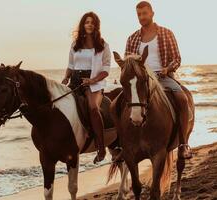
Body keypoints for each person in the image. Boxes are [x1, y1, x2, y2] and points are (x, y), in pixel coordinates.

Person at [125, 1, 192, 159]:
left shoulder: (166, 33)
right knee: (117, 105)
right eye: (139, 14)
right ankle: (123, 144)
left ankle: (183, 144)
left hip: (162, 77)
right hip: (141, 80)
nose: (142, 17)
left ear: (152, 14)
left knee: (182, 99)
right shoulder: (132, 38)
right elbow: (127, 64)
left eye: (144, 13)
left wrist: (167, 69)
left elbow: (176, 58)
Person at [62, 12, 111, 163]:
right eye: (87, 22)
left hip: (93, 83)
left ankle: (101, 148)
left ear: (96, 26)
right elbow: (71, 66)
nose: (89, 25)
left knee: (92, 108)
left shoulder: (103, 45)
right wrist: (66, 77)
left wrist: (92, 80)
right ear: (83, 25)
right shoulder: (75, 44)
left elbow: (106, 69)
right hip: (75, 80)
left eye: (92, 22)